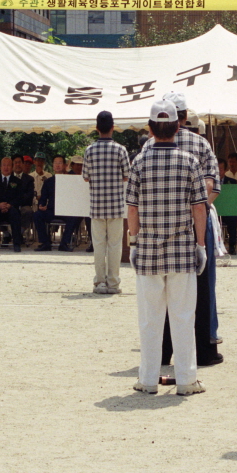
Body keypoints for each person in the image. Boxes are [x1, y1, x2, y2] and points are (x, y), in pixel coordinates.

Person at [127, 99, 209, 396]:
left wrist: (134, 241)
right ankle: (186, 380)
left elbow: (132, 208)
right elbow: (199, 208)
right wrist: (201, 245)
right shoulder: (190, 161)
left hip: (148, 250)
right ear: (178, 127)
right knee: (183, 317)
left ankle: (148, 379)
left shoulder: (139, 161)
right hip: (182, 250)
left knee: (150, 319)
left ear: (150, 129)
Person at [144, 92, 222, 367]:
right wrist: (194, 216)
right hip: (196, 226)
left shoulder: (146, 149)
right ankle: (204, 352)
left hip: (157, 228)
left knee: (160, 291)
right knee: (200, 290)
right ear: (184, 118)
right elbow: (211, 187)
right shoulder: (201, 145)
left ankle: (163, 353)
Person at [83, 111, 130, 294]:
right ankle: (113, 282)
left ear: (97, 128)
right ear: (113, 127)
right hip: (116, 205)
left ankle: (99, 282)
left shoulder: (89, 150)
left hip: (97, 205)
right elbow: (127, 175)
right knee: (115, 245)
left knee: (99, 245)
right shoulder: (121, 150)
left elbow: (86, 177)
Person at [34, 156, 78, 251]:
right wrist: (41, 205)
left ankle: (64, 243)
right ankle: (45, 242)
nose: (57, 165)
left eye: (60, 163)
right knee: (37, 215)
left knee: (75, 217)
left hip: (66, 211)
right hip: (51, 210)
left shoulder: (71, 180)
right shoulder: (48, 182)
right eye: (55, 163)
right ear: (53, 165)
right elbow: (43, 198)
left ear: (65, 165)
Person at [0, 157, 25, 253]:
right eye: (4, 165)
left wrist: (9, 205)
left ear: (12, 167)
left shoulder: (17, 181)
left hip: (10, 208)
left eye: (8, 165)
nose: (6, 167)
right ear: (0, 167)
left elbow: (20, 197)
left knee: (15, 213)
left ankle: (16, 244)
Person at [218, 160, 237, 254]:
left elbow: (234, 199)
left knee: (233, 218)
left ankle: (232, 246)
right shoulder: (209, 182)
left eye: (221, 169)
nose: (218, 171)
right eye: (216, 169)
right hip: (215, 211)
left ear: (225, 170)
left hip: (227, 210)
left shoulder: (232, 182)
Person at [12, 154, 36, 240]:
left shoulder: (29, 179)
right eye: (15, 163)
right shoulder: (8, 177)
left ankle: (19, 234)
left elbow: (29, 195)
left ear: (22, 164)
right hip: (9, 205)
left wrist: (17, 202)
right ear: (12, 164)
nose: (18, 165)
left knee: (28, 211)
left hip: (23, 205)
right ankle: (7, 235)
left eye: (19, 162)